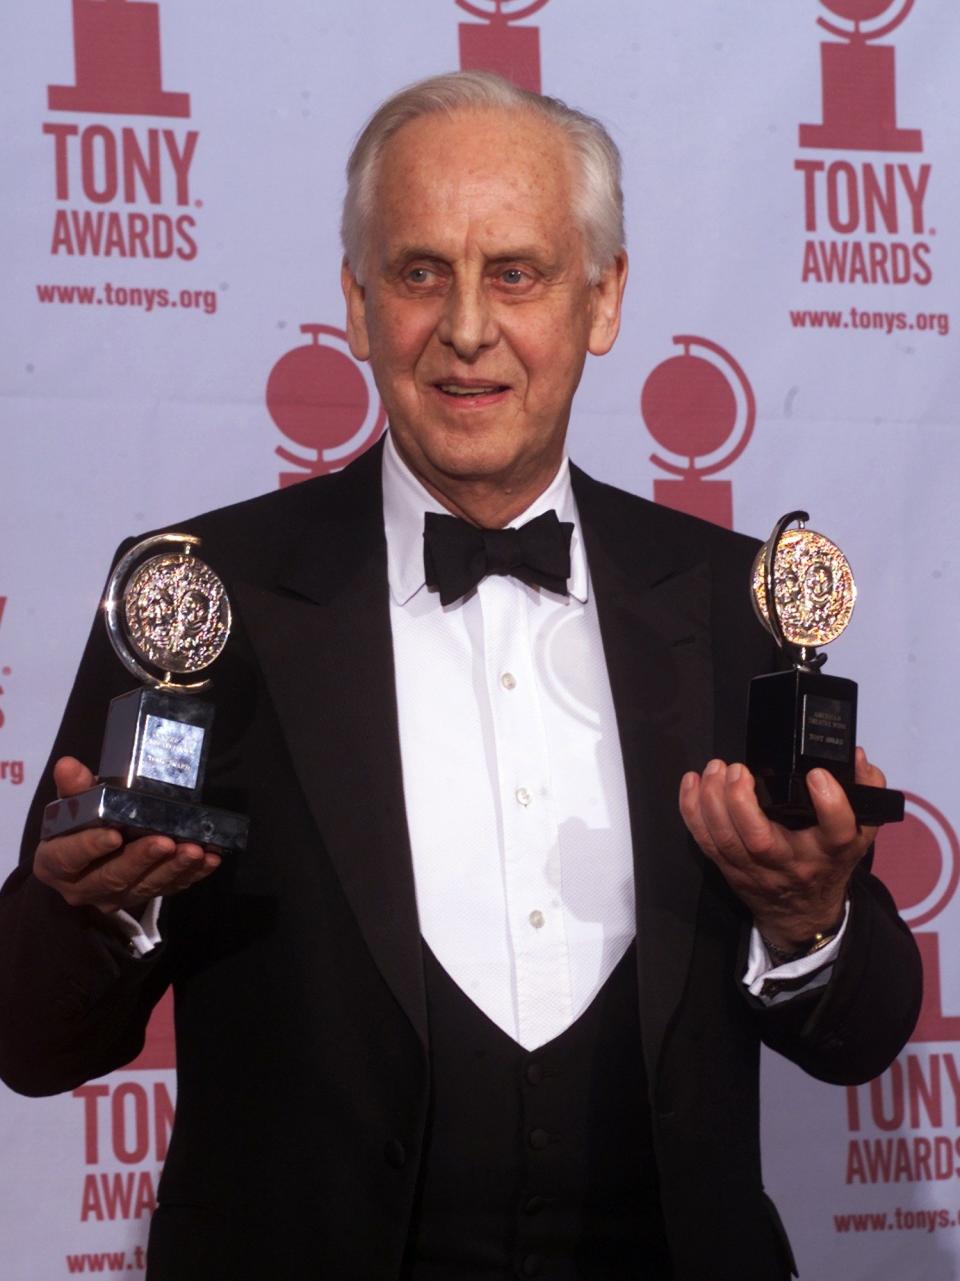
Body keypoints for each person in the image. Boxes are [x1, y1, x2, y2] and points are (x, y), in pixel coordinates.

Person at [0, 72, 920, 1281]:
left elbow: (862, 1038)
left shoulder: (734, 599)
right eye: (421, 272)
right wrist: (94, 911)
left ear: (604, 299)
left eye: (520, 274)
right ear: (358, 303)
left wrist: (808, 921)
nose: (468, 329)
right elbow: (32, 1040)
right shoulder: (204, 595)